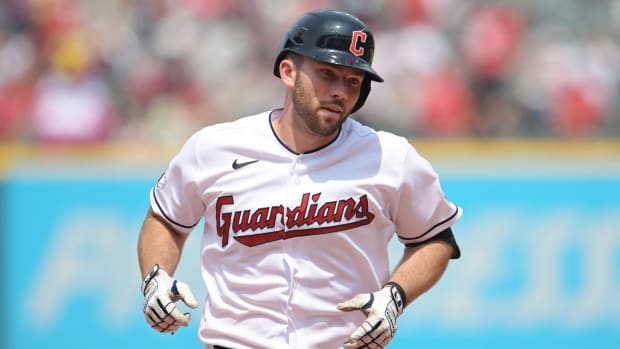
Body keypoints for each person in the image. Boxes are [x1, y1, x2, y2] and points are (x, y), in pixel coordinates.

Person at [137, 9, 462, 349]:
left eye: (353, 80)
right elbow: (166, 220)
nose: (340, 90)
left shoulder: (389, 157)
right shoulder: (214, 148)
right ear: (288, 71)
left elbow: (435, 238)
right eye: (327, 73)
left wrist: (395, 295)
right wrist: (156, 278)